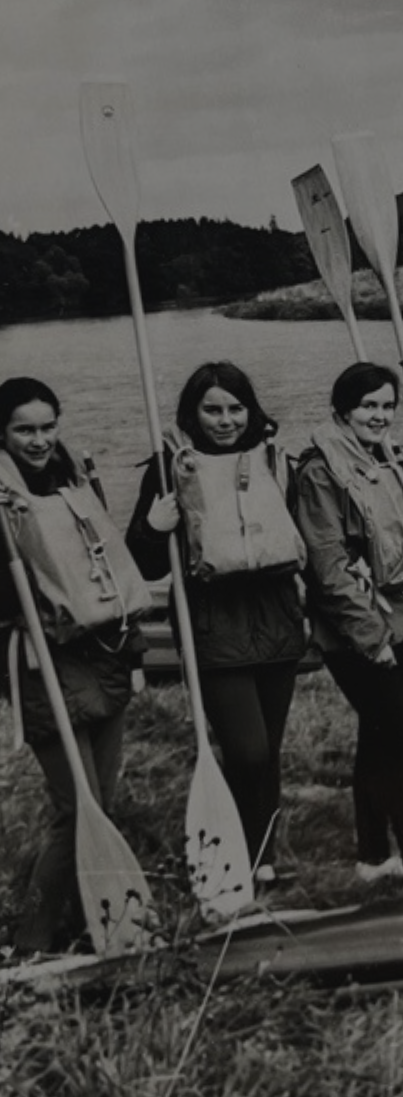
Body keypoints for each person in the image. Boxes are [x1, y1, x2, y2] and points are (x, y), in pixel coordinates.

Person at [123, 362, 309, 885]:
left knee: (267, 752)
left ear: (250, 410)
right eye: (213, 410)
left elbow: (302, 539)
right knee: (247, 751)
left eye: (235, 408)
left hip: (275, 619)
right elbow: (147, 564)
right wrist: (152, 528)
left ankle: (258, 860)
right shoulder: (169, 468)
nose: (225, 420)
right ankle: (231, 844)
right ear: (193, 413)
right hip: (213, 623)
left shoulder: (275, 461)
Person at [289, 362, 403, 897]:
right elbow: (328, 566)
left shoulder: (383, 459)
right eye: (368, 406)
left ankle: (372, 855)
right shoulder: (320, 471)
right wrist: (371, 638)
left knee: (379, 737)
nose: (379, 416)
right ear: (341, 411)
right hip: (356, 632)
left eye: (387, 406)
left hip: (397, 619)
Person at [0, 378, 150, 952]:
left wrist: (133, 650)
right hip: (44, 661)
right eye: (24, 429)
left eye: (46, 427)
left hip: (101, 656)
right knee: (75, 808)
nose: (38, 440)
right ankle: (31, 939)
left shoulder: (73, 482)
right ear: (4, 433)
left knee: (103, 804)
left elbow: (107, 568)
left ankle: (98, 920)